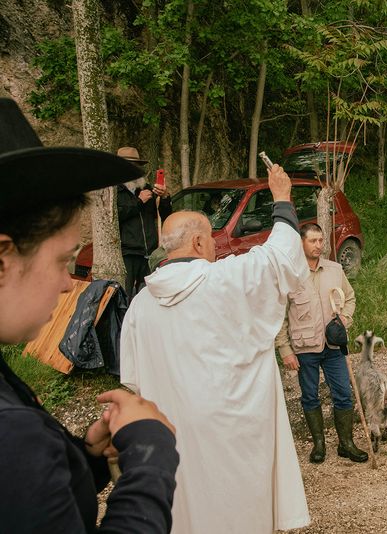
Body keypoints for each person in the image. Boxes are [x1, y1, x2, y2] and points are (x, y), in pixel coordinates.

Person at [0, 97, 179, 532]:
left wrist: (83, 458)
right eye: (63, 261)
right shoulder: (11, 435)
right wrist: (151, 460)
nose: (68, 284)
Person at [120, 167, 311, 533]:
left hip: (174, 445)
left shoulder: (139, 306)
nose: (215, 247)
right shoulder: (223, 280)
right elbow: (280, 259)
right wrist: (283, 199)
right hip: (231, 443)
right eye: (210, 239)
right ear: (196, 244)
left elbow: (135, 381)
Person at [276, 223, 368, 464]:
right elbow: (280, 317)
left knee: (344, 394)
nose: (319, 246)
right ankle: (319, 445)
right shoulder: (291, 275)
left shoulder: (335, 270)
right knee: (310, 396)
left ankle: (346, 444)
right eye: (313, 241)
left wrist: (344, 320)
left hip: (334, 347)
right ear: (301, 244)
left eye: (321, 241)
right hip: (304, 347)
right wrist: (285, 350)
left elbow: (349, 298)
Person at [116, 146, 172, 299]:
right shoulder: (113, 190)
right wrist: (139, 202)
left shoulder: (147, 188)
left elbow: (165, 215)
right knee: (124, 297)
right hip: (127, 254)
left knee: (150, 297)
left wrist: (165, 196)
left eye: (137, 166)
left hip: (149, 253)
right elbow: (115, 217)